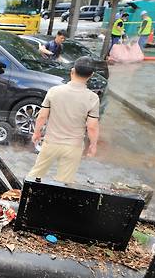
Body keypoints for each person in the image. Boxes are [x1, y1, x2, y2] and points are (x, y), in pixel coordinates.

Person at [26, 56, 100, 184]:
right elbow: (92, 127)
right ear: (91, 75)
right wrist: (93, 145)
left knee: (34, 177)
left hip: (51, 142)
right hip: (73, 147)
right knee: (64, 183)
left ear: (72, 71)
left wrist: (36, 132)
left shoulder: (54, 91)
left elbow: (42, 116)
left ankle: (27, 199)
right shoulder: (92, 98)